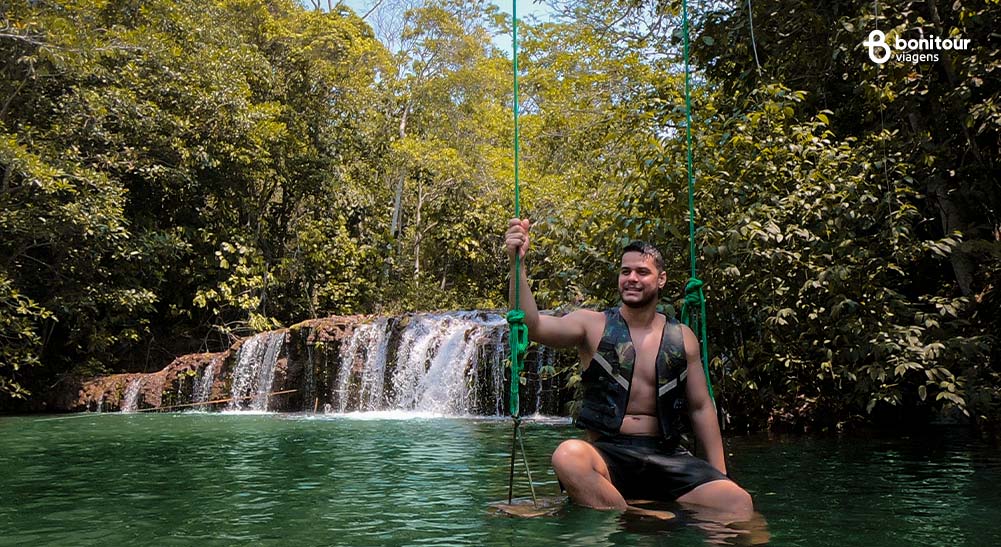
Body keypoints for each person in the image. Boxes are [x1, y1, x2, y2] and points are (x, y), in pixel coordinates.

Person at [505, 218, 754, 520]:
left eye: (642, 272)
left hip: (667, 456)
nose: (631, 278)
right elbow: (533, 326)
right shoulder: (591, 324)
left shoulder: (682, 337)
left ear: (661, 279)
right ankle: (633, 514)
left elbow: (701, 408)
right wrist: (517, 264)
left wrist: (720, 475)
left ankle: (631, 510)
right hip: (609, 456)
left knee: (738, 503)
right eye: (625, 272)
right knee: (567, 456)